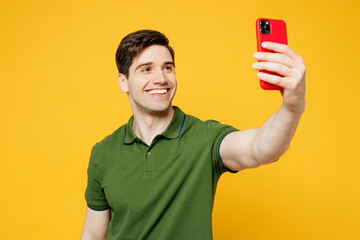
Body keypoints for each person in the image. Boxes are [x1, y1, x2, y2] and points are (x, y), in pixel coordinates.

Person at [80, 30, 306, 240]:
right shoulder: (103, 153)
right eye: (146, 69)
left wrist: (292, 107)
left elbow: (262, 149)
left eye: (167, 67)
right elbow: (92, 235)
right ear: (123, 82)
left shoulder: (205, 138)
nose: (161, 78)